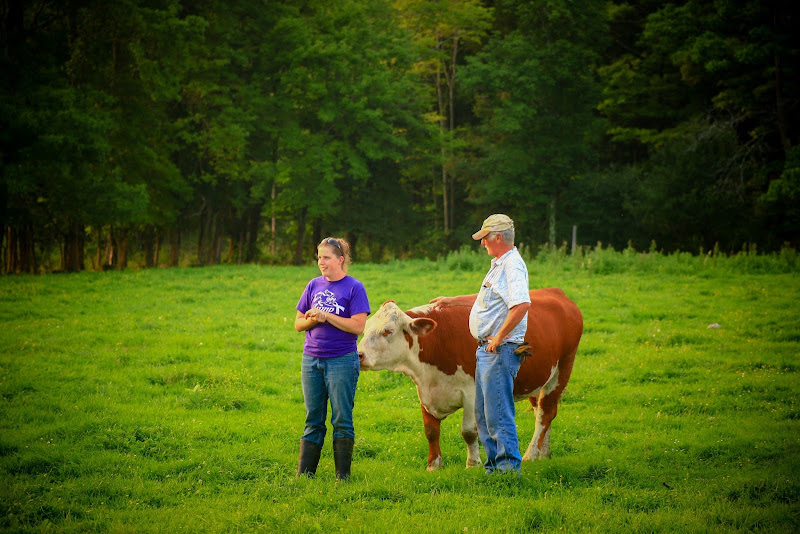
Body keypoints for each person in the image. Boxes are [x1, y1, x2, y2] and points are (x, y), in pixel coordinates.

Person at [430, 214, 531, 474]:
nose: (482, 243)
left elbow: (521, 305)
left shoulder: (512, 266)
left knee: (497, 413)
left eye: (485, 237)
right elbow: (486, 297)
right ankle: (494, 468)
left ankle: (507, 472)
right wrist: (453, 301)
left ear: (498, 237)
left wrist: (498, 338)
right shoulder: (499, 264)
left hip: (499, 349)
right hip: (487, 349)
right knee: (485, 414)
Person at [294, 237, 370, 480]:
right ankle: (305, 476)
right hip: (311, 360)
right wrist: (313, 320)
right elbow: (298, 324)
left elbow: (358, 326)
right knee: (313, 418)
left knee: (341, 418)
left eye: (326, 257)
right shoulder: (313, 285)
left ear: (340, 260)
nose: (321, 262)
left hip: (341, 361)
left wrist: (326, 316)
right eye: (319, 257)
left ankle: (342, 477)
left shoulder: (353, 288)